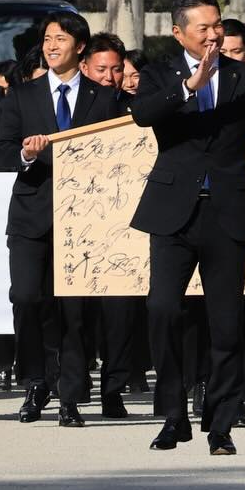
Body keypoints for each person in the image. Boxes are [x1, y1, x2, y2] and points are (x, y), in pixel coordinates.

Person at [130, 0, 245, 456]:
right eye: (204, 27)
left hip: (228, 210)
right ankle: (173, 415)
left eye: (217, 25)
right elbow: (142, 114)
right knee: (162, 309)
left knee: (226, 323)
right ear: (179, 33)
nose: (214, 34)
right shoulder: (160, 73)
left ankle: (220, 424)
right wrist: (188, 86)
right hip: (173, 211)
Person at [0, 11, 122, 428]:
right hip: (31, 216)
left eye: (61, 39)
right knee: (26, 298)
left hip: (84, 220)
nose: (51, 46)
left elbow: (115, 154)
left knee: (75, 312)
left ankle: (70, 396)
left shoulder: (103, 98)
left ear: (80, 47)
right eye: (47, 39)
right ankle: (35, 381)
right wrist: (27, 154)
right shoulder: (22, 95)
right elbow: (1, 152)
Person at [74, 31, 140, 419]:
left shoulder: (135, 108)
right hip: (76, 222)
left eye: (117, 70)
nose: (110, 77)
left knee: (120, 314)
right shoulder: (72, 106)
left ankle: (113, 390)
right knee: (77, 313)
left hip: (123, 224)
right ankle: (75, 382)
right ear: (84, 67)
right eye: (102, 69)